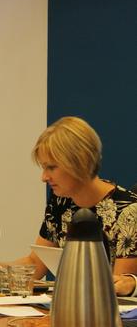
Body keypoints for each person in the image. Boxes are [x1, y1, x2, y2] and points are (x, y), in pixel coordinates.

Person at [10, 116, 137, 296]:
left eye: (51, 168)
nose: (44, 177)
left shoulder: (129, 211)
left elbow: (115, 287)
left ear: (80, 162)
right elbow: (35, 265)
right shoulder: (60, 201)